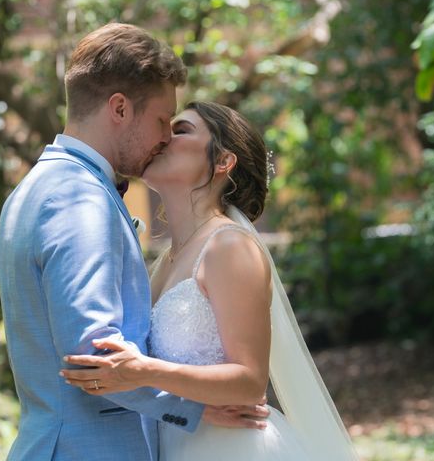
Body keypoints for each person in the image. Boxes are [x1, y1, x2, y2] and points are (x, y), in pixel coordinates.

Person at [0, 24, 267, 461]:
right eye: (163, 120)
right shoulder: (79, 199)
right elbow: (94, 358)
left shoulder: (37, 186)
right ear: (119, 108)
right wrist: (190, 407)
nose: (164, 138)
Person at [61, 101, 359, 460]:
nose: (163, 136)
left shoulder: (230, 246)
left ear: (222, 162)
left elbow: (249, 382)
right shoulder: (165, 261)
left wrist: (144, 371)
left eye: (181, 129)